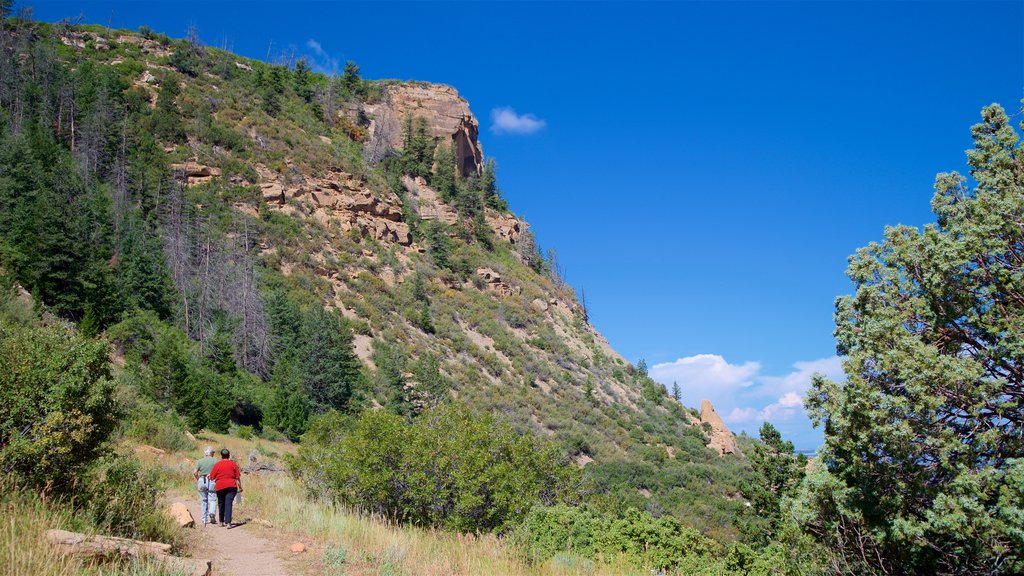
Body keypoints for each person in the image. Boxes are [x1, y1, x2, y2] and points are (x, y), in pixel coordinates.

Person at [209, 448, 243, 528]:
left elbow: (212, 477)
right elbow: (237, 477)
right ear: (229, 455)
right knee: (228, 503)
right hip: (231, 486)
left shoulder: (217, 464)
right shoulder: (233, 464)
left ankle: (221, 521)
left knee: (221, 503)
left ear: (221, 456)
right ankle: (228, 523)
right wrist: (240, 487)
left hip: (220, 486)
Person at [193, 446, 218, 526]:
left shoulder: (200, 461)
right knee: (212, 498)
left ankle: (204, 519)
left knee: (203, 500)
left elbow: (195, 472)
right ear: (211, 453)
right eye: (213, 452)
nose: (214, 454)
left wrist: (198, 479)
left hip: (202, 480)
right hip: (212, 480)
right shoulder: (215, 461)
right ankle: (212, 513)